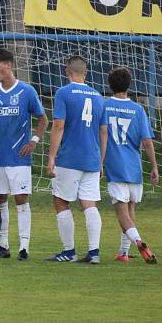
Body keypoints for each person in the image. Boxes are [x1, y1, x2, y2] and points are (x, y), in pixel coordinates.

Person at [0, 49, 48, 261]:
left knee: (20, 199)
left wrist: (33, 141)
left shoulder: (27, 92)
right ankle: (3, 245)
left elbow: (43, 119)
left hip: (19, 156)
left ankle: (24, 247)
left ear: (9, 65)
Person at [46, 56, 107, 264]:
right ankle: (94, 252)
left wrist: (52, 156)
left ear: (66, 71)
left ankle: (69, 251)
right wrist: (101, 162)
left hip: (70, 158)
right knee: (89, 204)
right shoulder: (99, 96)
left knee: (61, 200)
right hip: (92, 158)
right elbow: (104, 131)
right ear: (86, 73)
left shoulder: (63, 93)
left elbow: (58, 126)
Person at [103, 67, 159, 264]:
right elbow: (147, 142)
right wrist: (154, 166)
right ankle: (123, 253)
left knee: (122, 214)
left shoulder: (104, 106)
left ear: (110, 85)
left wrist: (99, 162)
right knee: (131, 211)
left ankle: (139, 242)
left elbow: (100, 135)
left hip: (115, 166)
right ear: (129, 85)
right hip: (134, 168)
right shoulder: (138, 109)